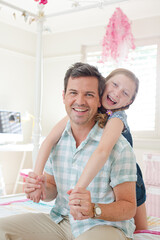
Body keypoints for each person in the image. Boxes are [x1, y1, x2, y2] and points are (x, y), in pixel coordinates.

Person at [0, 62, 137, 240]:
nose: (79, 101)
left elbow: (128, 207)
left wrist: (93, 209)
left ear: (98, 99)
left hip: (102, 225)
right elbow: (52, 190)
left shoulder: (119, 146)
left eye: (89, 94)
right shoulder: (58, 139)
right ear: (64, 96)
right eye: (73, 93)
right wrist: (41, 187)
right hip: (61, 221)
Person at [29, 68, 147, 230]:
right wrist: (36, 178)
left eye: (125, 93)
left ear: (128, 103)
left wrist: (79, 189)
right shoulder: (84, 108)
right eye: (114, 84)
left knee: (140, 228)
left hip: (127, 174)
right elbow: (49, 140)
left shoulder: (117, 118)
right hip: (100, 170)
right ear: (103, 84)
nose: (117, 93)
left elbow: (102, 151)